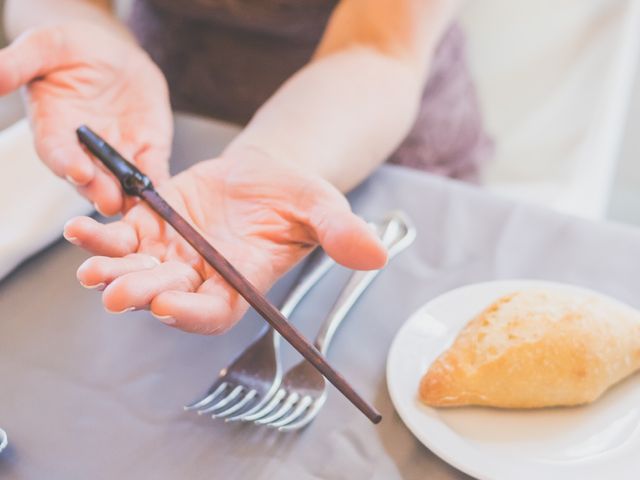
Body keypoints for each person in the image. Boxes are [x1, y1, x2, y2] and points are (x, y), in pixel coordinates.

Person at [0, 0, 490, 334]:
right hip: (154, 122)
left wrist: (277, 159)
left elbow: (379, 44)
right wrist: (79, 28)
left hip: (354, 126)